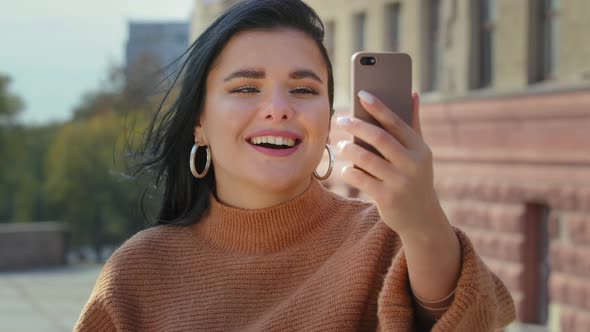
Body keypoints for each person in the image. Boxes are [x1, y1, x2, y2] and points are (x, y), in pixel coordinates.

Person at [75, 0, 516, 331]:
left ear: (328, 119)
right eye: (247, 88)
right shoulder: (138, 273)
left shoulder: (389, 243)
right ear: (199, 123)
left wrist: (423, 225)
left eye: (304, 90)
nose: (279, 108)